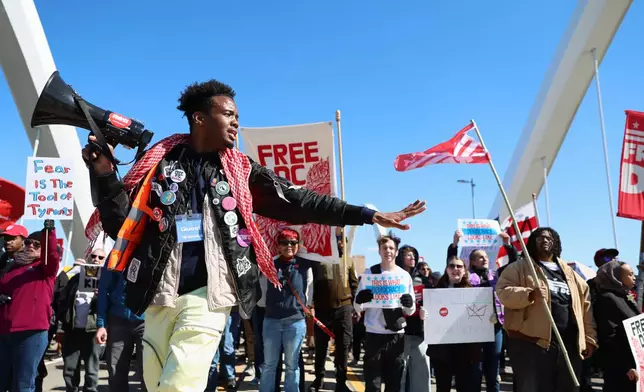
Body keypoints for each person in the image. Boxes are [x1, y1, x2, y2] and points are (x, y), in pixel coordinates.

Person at [82, 79, 426, 392]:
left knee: (179, 384)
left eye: (237, 115)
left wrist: (366, 215)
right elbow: (119, 226)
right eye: (228, 114)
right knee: (158, 383)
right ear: (199, 118)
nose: (236, 122)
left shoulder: (241, 172)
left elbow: (300, 200)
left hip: (209, 298)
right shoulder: (159, 164)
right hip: (158, 296)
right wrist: (103, 175)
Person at [496, 227, 597, 392]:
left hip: (568, 343)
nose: (545, 240)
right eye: (540, 238)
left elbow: (585, 307)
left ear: (556, 243)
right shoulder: (519, 267)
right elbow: (503, 292)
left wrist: (589, 338)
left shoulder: (571, 274)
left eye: (550, 238)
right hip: (531, 342)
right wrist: (529, 294)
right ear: (532, 242)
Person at [0, 221, 60, 392]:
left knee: (23, 384)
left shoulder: (45, 268)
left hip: (31, 332)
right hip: (5, 331)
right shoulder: (11, 268)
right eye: (28, 243)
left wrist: (48, 233)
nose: (31, 245)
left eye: (37, 243)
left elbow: (52, 255)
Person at [353, 234, 416, 392]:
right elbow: (358, 307)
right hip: (374, 334)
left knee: (394, 383)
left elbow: (410, 309)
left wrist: (409, 303)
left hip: (396, 335)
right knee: (372, 383)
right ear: (379, 251)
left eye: (391, 248)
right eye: (384, 248)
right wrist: (360, 300)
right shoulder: (370, 273)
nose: (388, 250)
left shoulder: (404, 275)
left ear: (396, 252)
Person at [309, 228, 358, 392]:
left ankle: (341, 382)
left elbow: (354, 285)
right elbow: (312, 285)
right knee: (321, 347)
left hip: (344, 309)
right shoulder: (319, 261)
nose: (339, 243)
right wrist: (311, 306)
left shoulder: (348, 261)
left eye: (342, 240)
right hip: (323, 309)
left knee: (344, 347)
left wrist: (355, 307)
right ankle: (319, 378)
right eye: (336, 239)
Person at [426, 257, 482, 392]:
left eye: (459, 266)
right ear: (446, 269)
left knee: (464, 387)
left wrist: (488, 318)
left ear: (464, 270)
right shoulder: (435, 292)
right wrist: (425, 314)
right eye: (452, 266)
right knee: (443, 386)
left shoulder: (475, 293)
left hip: (466, 350)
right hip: (442, 349)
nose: (455, 269)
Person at [95, 253, 146, 392]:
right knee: (115, 371)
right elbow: (104, 290)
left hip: (148, 320)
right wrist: (101, 325)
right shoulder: (117, 252)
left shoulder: (156, 246)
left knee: (149, 372)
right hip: (118, 319)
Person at [57, 252, 104, 392]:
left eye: (101, 257)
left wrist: (101, 297)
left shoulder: (107, 281)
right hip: (72, 330)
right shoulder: (75, 279)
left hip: (93, 331)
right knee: (70, 370)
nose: (96, 259)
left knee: (92, 370)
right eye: (93, 256)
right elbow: (62, 303)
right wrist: (61, 328)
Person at [593, 261, 640, 392]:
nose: (634, 277)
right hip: (621, 368)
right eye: (630, 274)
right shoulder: (607, 298)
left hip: (635, 362)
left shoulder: (626, 296)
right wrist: (626, 366)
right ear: (616, 277)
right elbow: (609, 336)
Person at [395, 245, 432, 392]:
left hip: (419, 332)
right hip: (400, 332)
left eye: (414, 255)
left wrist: (425, 310)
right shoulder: (394, 277)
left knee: (422, 370)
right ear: (400, 258)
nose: (413, 258)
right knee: (400, 372)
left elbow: (432, 300)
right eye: (408, 255)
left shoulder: (423, 279)